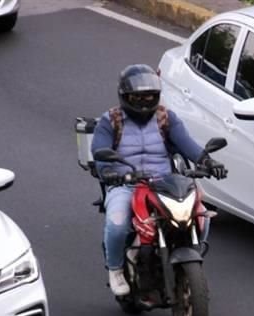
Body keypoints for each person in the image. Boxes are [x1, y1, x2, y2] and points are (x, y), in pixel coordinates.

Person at [91, 64, 227, 298]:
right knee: (116, 222)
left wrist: (208, 161)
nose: (144, 102)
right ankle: (115, 270)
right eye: (137, 97)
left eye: (150, 97)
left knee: (201, 214)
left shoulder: (166, 118)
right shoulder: (110, 120)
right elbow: (99, 151)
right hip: (127, 184)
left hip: (164, 183)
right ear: (124, 96)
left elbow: (187, 144)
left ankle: (189, 264)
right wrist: (110, 172)